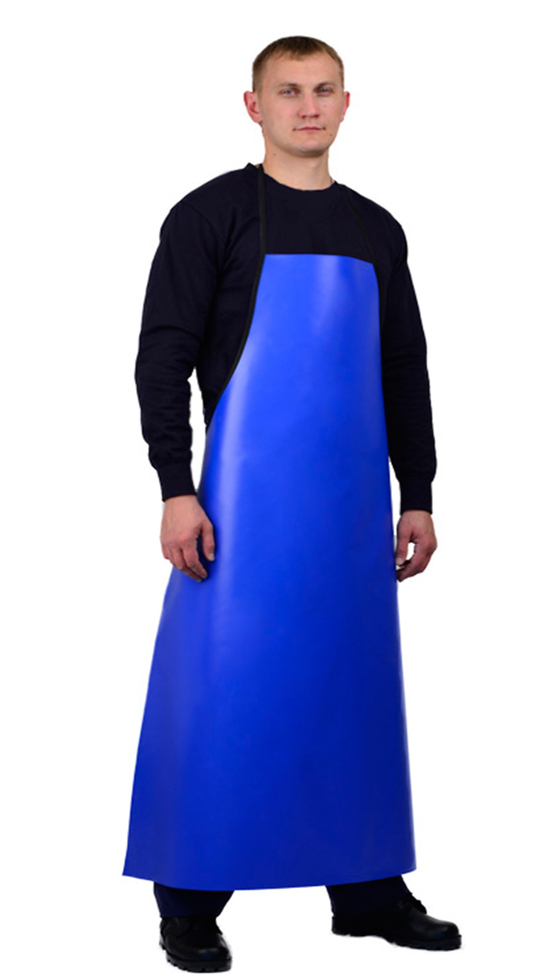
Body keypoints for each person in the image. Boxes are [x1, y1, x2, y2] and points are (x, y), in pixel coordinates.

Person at [122, 35, 462, 972]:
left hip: (349, 516)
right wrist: (176, 487)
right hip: (237, 514)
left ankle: (368, 892)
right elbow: (163, 356)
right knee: (223, 694)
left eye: (323, 90)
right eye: (288, 91)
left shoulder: (377, 229)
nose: (307, 107)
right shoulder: (212, 215)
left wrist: (419, 492)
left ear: (346, 104)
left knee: (352, 695)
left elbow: (403, 368)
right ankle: (190, 900)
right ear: (254, 106)